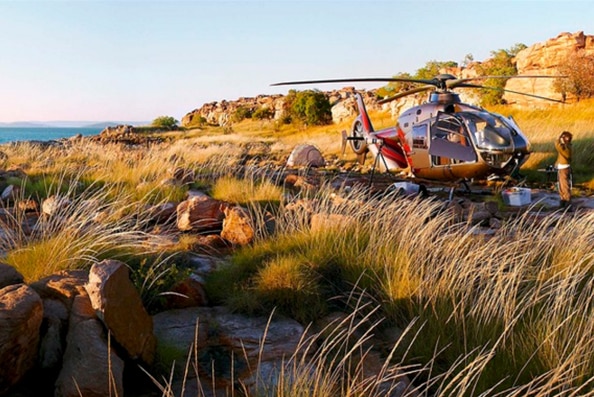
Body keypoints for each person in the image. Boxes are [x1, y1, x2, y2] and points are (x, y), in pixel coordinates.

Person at [555, 130, 573, 208]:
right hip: (561, 168)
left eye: (564, 137)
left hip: (564, 169)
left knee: (565, 186)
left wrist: (559, 140)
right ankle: (563, 202)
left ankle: (568, 203)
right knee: (561, 187)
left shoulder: (567, 147)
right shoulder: (565, 146)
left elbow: (559, 148)